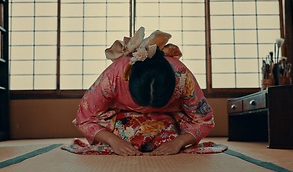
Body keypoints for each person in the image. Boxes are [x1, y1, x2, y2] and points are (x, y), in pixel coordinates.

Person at [73, 27, 215, 156]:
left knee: (169, 137)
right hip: (121, 123)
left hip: (167, 122)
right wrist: (113, 141)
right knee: (125, 135)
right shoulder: (116, 75)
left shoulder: (182, 77)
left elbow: (203, 119)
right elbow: (85, 117)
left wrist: (179, 142)